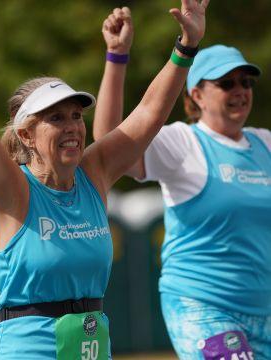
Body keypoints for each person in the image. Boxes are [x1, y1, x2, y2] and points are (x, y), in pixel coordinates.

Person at [0, 0, 208, 358]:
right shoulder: (15, 190)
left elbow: (148, 113)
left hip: (91, 345)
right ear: (26, 135)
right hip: (28, 348)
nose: (72, 127)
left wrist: (186, 47)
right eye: (56, 118)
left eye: (75, 116)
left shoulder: (93, 173)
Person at [94, 21, 271, 360]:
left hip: (263, 312)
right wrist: (117, 58)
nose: (240, 90)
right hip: (203, 307)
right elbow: (107, 142)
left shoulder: (264, 143)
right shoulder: (183, 142)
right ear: (196, 95)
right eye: (226, 82)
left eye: (246, 82)